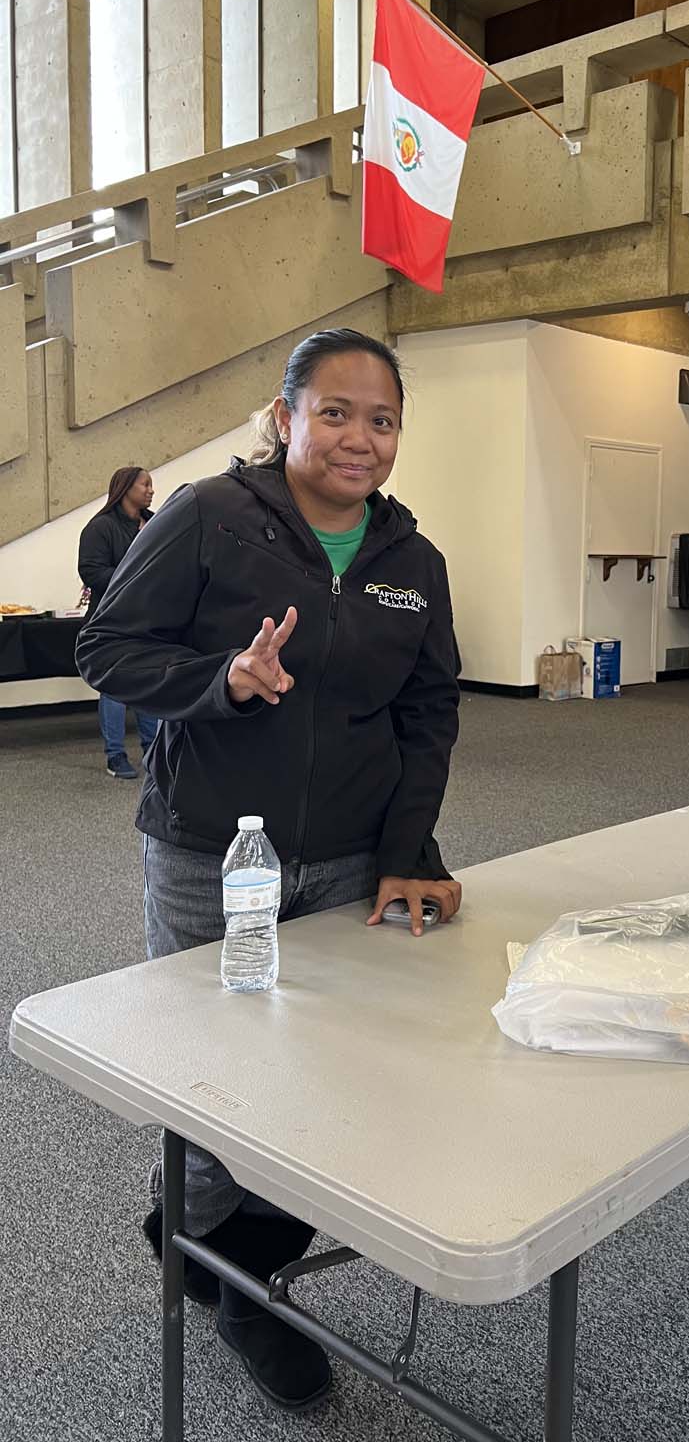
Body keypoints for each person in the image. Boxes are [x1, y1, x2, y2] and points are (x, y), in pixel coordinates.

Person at [76, 327, 461, 1414]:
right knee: (213, 1067)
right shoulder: (208, 516)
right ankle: (198, 1229)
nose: (358, 436)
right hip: (212, 850)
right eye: (334, 411)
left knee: (319, 1083)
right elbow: (107, 650)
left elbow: (429, 713)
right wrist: (224, 681)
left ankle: (242, 1277)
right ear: (285, 416)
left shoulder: (411, 564)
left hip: (345, 862)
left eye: (380, 418)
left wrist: (407, 850)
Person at [77, 465, 159, 778]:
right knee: (114, 688)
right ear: (125, 488)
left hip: (150, 618)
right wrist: (135, 577)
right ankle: (115, 755)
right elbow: (91, 571)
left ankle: (153, 750)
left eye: (151, 485)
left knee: (149, 682)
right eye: (145, 485)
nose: (151, 490)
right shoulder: (100, 527)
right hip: (111, 619)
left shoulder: (155, 523)